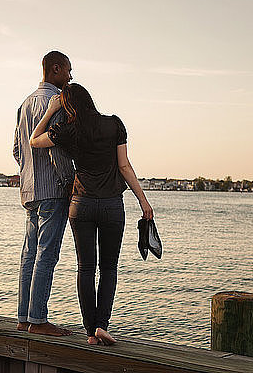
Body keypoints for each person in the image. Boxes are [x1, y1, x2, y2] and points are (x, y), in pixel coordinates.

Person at [30, 83, 153, 345]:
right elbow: (125, 166)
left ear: (68, 105)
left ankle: (90, 333)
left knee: (85, 268)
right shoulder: (114, 124)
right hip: (111, 206)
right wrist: (144, 202)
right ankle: (102, 325)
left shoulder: (67, 130)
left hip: (81, 204)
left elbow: (34, 140)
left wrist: (52, 109)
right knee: (108, 268)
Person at [12, 51, 75, 336]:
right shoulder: (57, 104)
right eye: (68, 71)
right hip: (52, 190)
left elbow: (17, 149)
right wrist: (69, 181)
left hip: (28, 190)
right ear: (56, 69)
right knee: (46, 255)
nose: (70, 77)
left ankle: (24, 318)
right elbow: (57, 149)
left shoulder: (24, 104)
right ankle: (38, 321)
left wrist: (28, 171)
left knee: (29, 255)